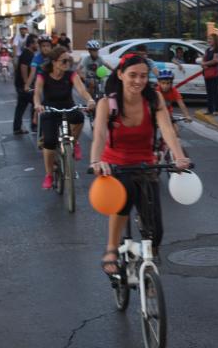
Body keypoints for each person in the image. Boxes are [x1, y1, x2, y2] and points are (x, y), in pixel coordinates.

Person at [89, 54, 190, 277]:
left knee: (156, 228)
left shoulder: (154, 99)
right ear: (120, 74)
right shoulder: (108, 103)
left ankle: (149, 261)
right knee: (123, 200)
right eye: (132, 75)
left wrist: (179, 156)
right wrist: (96, 161)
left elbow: (166, 130)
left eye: (143, 76)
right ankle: (111, 249)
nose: (138, 81)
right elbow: (99, 135)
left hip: (145, 164)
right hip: (115, 165)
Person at [33, 46, 95, 189]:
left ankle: (74, 143)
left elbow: (81, 90)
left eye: (69, 60)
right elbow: (37, 93)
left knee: (79, 118)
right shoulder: (43, 74)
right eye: (64, 61)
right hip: (50, 109)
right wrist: (37, 104)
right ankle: (49, 175)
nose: (67, 63)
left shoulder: (71, 74)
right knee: (49, 142)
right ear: (54, 62)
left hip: (68, 106)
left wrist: (90, 100)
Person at [13, 34, 38, 135]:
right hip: (24, 85)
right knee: (36, 103)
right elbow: (23, 68)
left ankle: (17, 128)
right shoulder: (27, 54)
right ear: (31, 43)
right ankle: (34, 125)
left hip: (21, 85)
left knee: (21, 107)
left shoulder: (28, 53)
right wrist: (26, 84)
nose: (38, 45)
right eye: (36, 43)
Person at [156, 69, 192, 133]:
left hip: (168, 114)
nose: (166, 86)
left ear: (171, 83)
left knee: (176, 131)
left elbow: (181, 104)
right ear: (158, 83)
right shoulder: (156, 91)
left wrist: (187, 115)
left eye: (168, 83)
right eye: (163, 83)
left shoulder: (173, 91)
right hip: (156, 113)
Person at [201, 33, 218, 116]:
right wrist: (203, 63)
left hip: (215, 73)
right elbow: (203, 58)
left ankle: (217, 110)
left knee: (215, 92)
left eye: (211, 39)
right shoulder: (208, 50)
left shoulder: (217, 50)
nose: (209, 40)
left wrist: (205, 63)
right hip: (207, 73)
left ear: (215, 40)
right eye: (208, 38)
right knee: (209, 92)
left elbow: (215, 60)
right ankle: (210, 109)